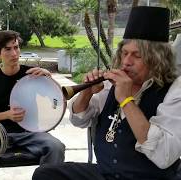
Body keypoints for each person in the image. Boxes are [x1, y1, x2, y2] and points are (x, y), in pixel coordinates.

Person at [33, 6, 181, 180]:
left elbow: (164, 155)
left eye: (137, 56)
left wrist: (126, 100)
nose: (126, 62)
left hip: (149, 177)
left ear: (157, 59)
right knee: (46, 174)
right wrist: (86, 93)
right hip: (107, 174)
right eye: (124, 53)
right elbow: (79, 120)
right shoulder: (112, 85)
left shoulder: (174, 90)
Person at [0, 30, 65, 179]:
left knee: (56, 147)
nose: (14, 53)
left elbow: (55, 100)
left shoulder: (32, 75)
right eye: (8, 49)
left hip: (32, 133)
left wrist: (48, 77)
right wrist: (7, 115)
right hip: (0, 134)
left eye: (16, 47)